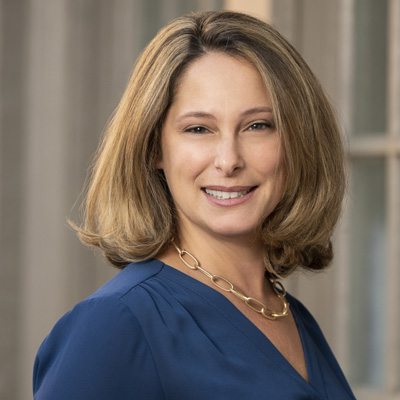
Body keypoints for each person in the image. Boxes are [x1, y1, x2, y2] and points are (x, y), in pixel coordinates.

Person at [33, 10, 355, 399]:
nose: (228, 159)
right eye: (198, 129)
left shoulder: (288, 314)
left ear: (297, 141)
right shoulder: (116, 324)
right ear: (155, 148)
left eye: (258, 125)